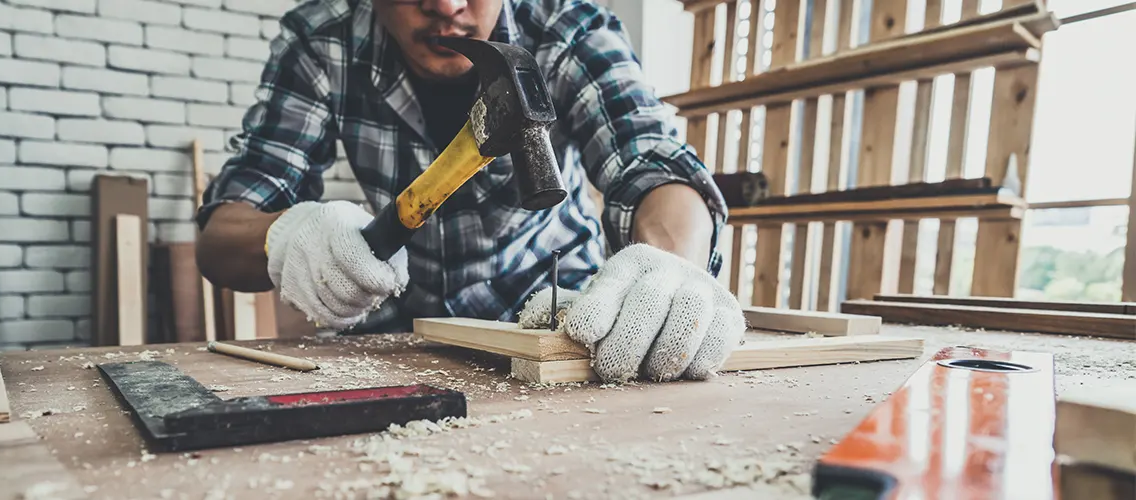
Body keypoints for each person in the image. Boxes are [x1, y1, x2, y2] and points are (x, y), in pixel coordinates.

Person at [195, 0, 746, 382]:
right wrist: (284, 235)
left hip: (559, 318)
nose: (445, 5)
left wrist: (671, 267)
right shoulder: (321, 41)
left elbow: (652, 162)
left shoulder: (566, 26)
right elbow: (221, 237)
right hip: (403, 329)